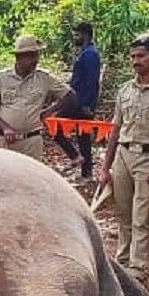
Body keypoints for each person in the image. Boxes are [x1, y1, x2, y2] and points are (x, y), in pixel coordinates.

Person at [96, 35, 149, 274]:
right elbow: (115, 130)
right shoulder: (125, 90)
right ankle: (122, 261)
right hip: (124, 155)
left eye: (141, 56)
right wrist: (106, 166)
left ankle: (138, 267)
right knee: (123, 213)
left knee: (141, 215)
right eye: (133, 56)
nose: (136, 61)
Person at [0, 35, 72, 159]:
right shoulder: (1, 78)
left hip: (31, 142)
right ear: (18, 57)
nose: (35, 60)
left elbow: (69, 95)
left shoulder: (44, 78)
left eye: (36, 55)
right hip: (3, 141)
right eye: (30, 55)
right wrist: (6, 128)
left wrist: (50, 111)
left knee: (31, 177)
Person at [49, 22, 100, 180]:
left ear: (85, 34)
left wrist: (87, 104)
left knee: (54, 125)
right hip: (77, 99)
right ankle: (86, 172)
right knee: (82, 135)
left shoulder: (90, 54)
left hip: (80, 101)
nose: (74, 37)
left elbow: (93, 80)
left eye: (77, 34)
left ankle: (76, 158)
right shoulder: (84, 52)